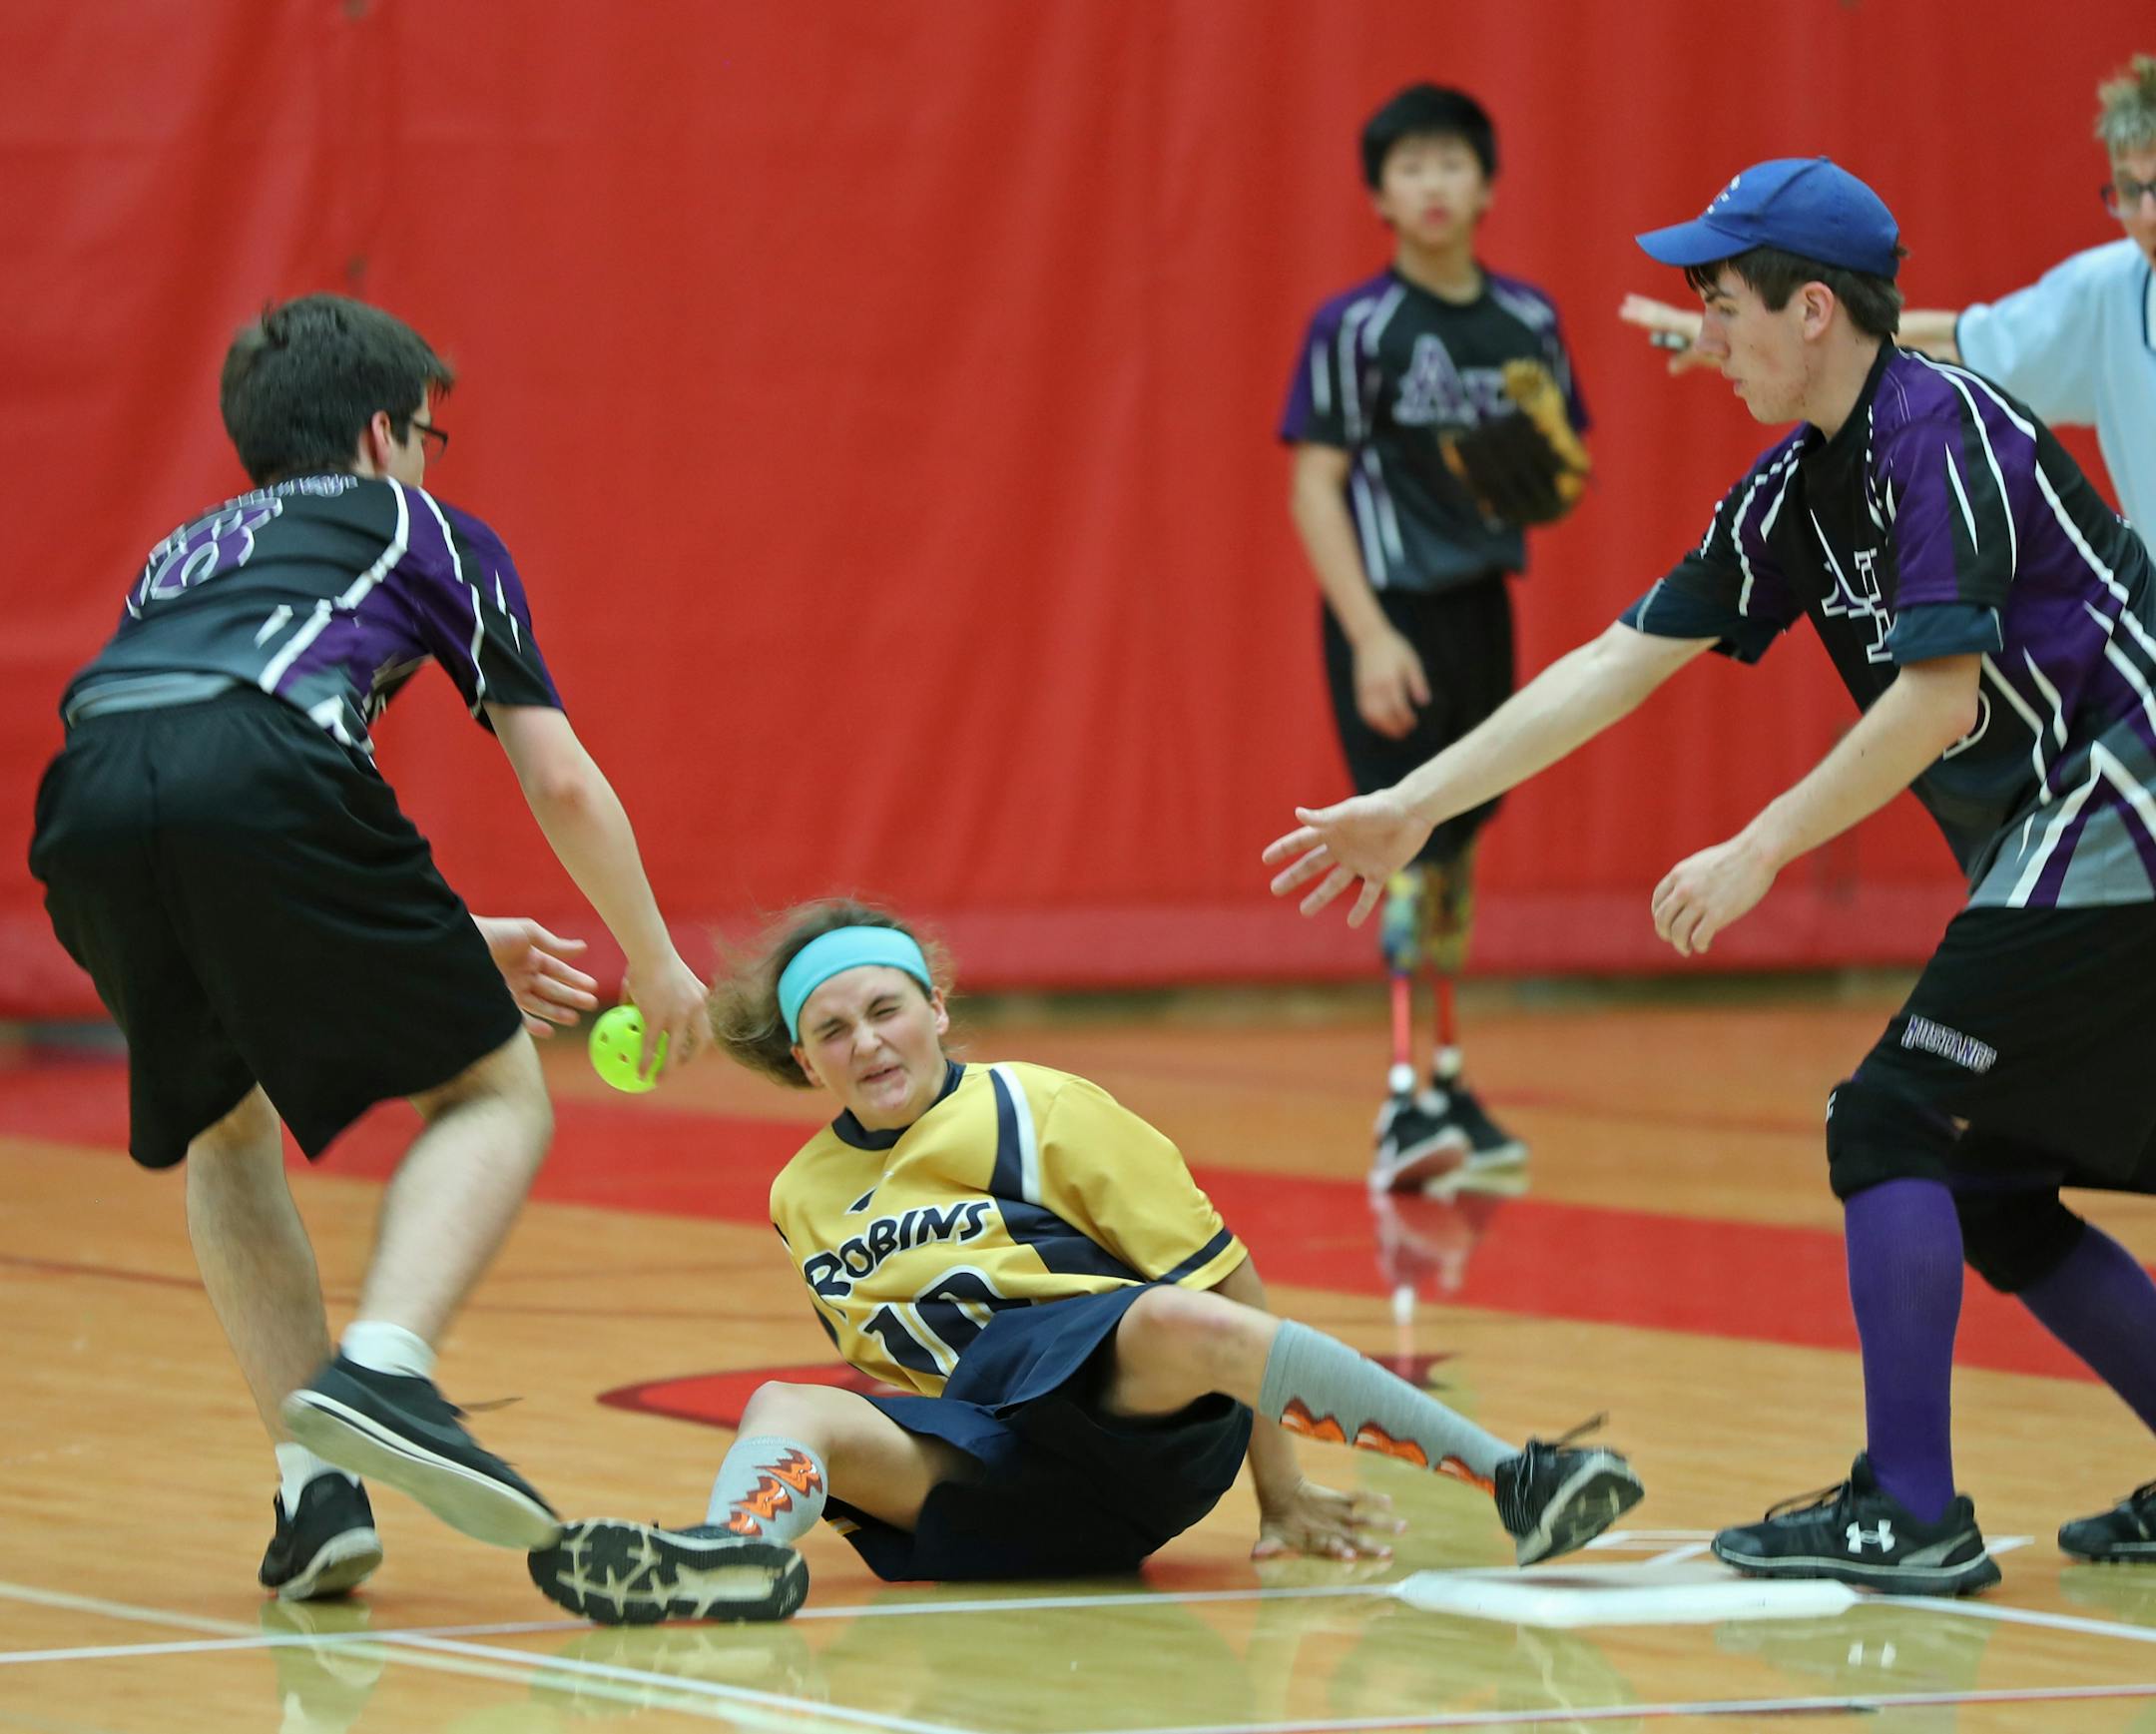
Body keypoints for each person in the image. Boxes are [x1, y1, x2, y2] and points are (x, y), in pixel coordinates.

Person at [1267, 156, 2156, 1595]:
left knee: (1893, 1123)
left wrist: (1761, 847)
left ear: (1813, 311)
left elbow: (1936, 696)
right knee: (1985, 1174)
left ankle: (1911, 1512)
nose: (1705, 332)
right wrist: (1414, 806)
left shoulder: (1942, 433)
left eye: (1724, 302)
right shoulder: (1801, 485)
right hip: (2076, 835)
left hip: (2122, 806)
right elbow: (1623, 657)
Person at [27, 293, 711, 1600]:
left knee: (230, 1129)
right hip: (258, 768)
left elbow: (187, 781)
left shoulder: (179, 553)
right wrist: (658, 958)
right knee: (494, 1087)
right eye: (430, 435)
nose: (432, 459)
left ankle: (312, 1490)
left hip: (88, 799)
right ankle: (389, 1369)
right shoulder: (429, 528)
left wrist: (443, 928)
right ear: (383, 431)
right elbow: (553, 777)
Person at [525, 902, 1641, 1624]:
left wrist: (1282, 1490)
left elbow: (1227, 1290)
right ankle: (731, 1559)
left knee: (1161, 1317)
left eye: (886, 1010)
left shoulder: (1034, 1102)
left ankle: (1518, 1481)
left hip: (1134, 1429)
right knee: (787, 1401)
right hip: (1001, 1477)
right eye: (832, 1030)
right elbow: (898, 1377)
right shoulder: (798, 1196)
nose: (866, 1042)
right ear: (804, 1062)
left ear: (937, 1010)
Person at [1281, 84, 1592, 1192]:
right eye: (1409, 166)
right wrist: (1367, 633)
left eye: (1452, 163)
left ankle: (1449, 1080)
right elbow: (1314, 488)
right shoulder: (1354, 330)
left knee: (1454, 841)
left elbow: (1557, 476)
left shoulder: (1529, 324)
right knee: (1398, 841)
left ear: (1488, 184)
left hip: (1478, 610)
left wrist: (1542, 477)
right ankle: (1401, 1103)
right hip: (1388, 614)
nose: (1432, 184)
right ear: (1379, 193)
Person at [1618, 55, 2156, 535]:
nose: (2147, 213)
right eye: (2131, 190)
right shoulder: (2107, 292)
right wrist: (1752, 331)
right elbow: (1958, 346)